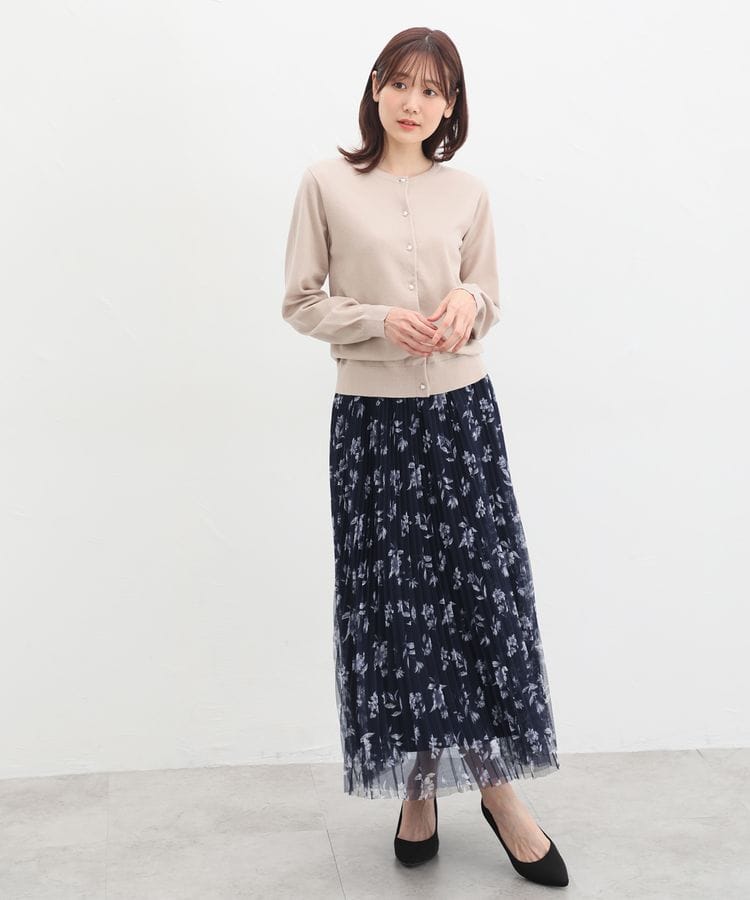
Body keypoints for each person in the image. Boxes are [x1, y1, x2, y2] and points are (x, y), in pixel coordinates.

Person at [281, 27, 569, 889]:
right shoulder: (326, 183)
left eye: (433, 91)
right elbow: (300, 301)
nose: (414, 102)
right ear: (375, 87)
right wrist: (377, 320)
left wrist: (467, 302)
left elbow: (489, 294)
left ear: (451, 107)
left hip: (462, 419)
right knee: (396, 610)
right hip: (373, 426)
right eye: (402, 83)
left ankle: (497, 793)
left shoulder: (468, 193)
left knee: (480, 603)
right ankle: (418, 787)